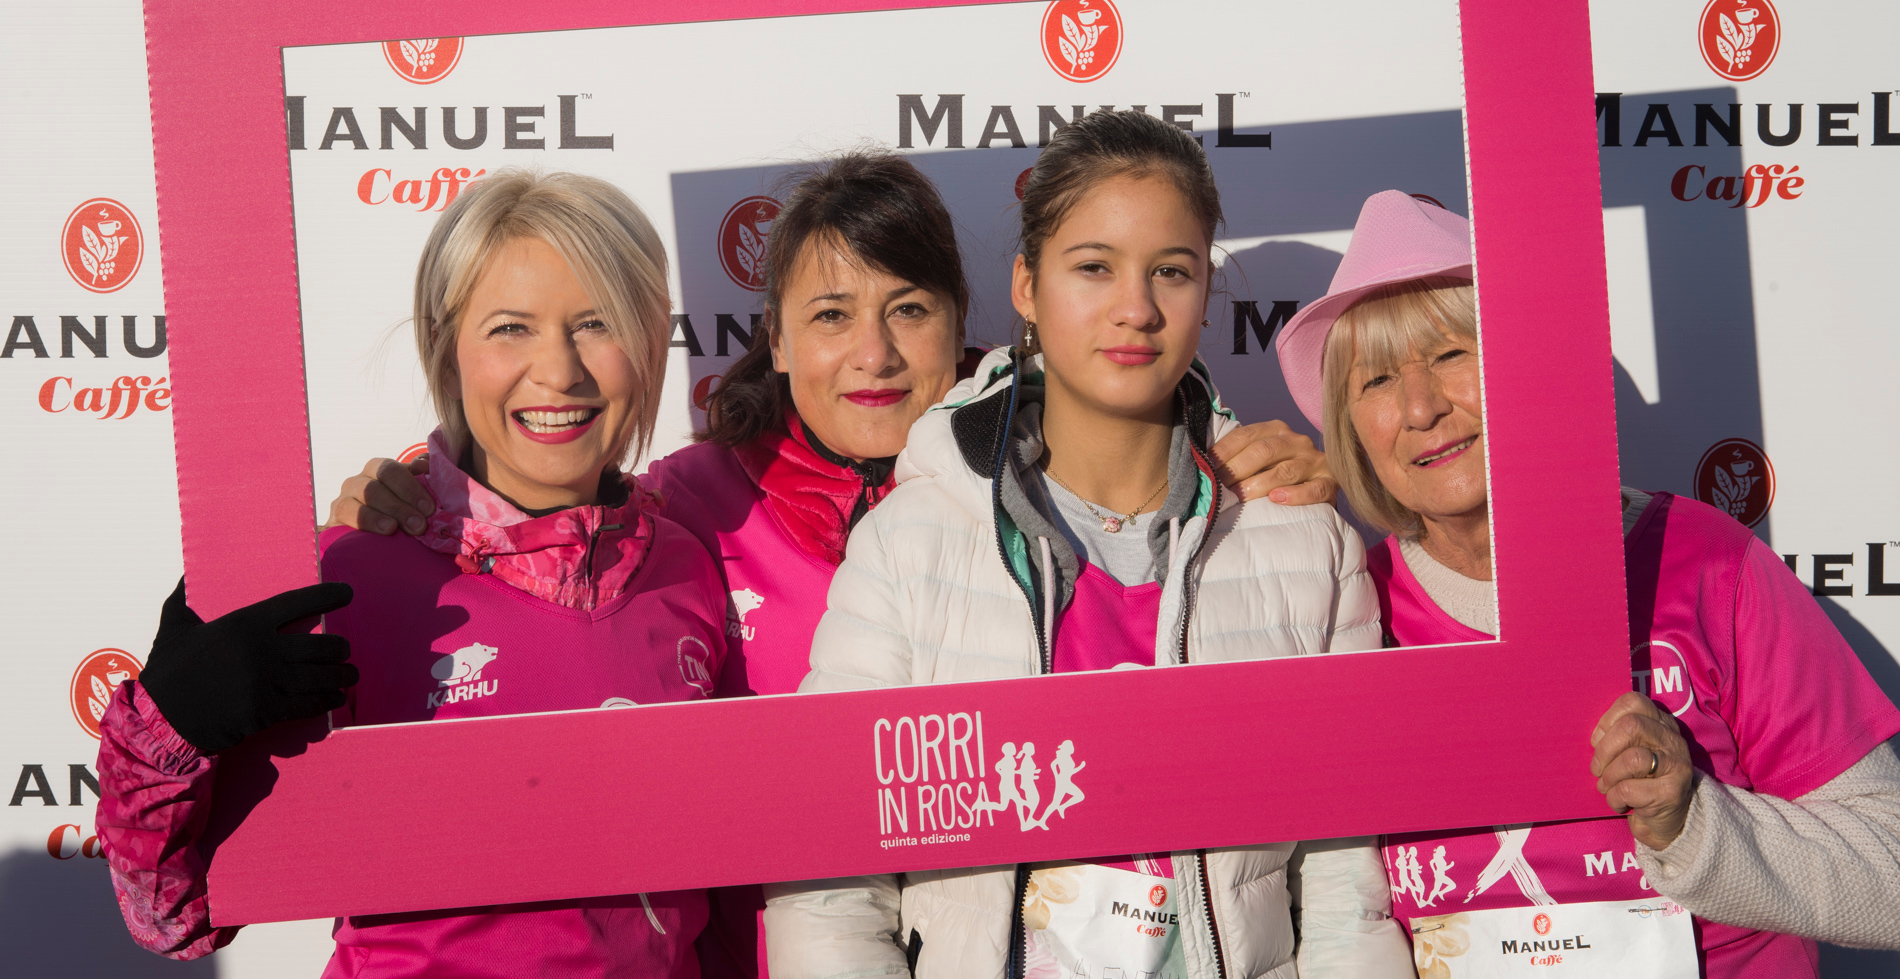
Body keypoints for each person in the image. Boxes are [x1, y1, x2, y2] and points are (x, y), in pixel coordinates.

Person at [330, 150, 1341, 976]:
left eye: (907, 309)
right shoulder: (686, 511)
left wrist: (1260, 462)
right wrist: (414, 483)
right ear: (771, 339)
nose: (874, 353)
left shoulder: (1033, 500)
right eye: (829, 315)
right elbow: (537, 526)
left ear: (961, 325)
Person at [763, 112, 1410, 979]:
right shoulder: (906, 545)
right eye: (1094, 267)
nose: (1135, 309)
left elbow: (1345, 891)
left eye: (1171, 272)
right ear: (1027, 286)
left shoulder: (1304, 540)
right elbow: (833, 879)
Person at [96, 169, 729, 975]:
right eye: (510, 328)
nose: (560, 370)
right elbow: (172, 912)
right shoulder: (350, 578)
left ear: (646, 342)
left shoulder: (685, 567)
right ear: (447, 346)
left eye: (596, 322)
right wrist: (168, 729)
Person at [1272, 189, 1900, 978]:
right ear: (1349, 421)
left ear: (1529, 359)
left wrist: (1692, 823)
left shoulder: (1701, 561)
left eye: (1452, 352)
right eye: (1376, 380)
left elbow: (1892, 870)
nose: (1422, 406)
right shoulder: (1349, 612)